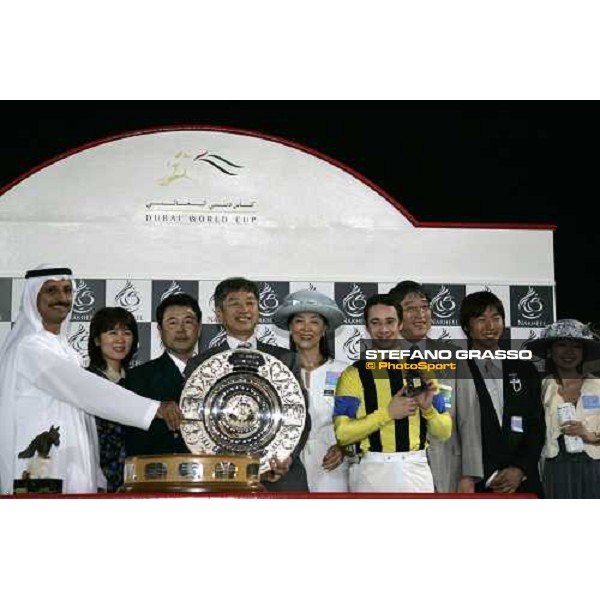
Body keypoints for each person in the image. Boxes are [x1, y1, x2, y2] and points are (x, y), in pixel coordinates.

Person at [0, 265, 182, 494]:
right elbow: (86, 390)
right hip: (40, 466)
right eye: (51, 290)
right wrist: (154, 408)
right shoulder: (30, 347)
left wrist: (96, 473)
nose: (61, 298)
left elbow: (84, 417)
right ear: (32, 297)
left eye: (67, 290)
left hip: (72, 463)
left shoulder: (67, 351)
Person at [184, 277, 310, 491]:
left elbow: (299, 416)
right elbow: (193, 421)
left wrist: (287, 456)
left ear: (259, 310)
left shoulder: (286, 359)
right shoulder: (200, 365)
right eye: (235, 303)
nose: (244, 309)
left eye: (250, 302)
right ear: (219, 314)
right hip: (223, 477)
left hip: (280, 476)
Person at [334, 294, 452, 492]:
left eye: (390, 321)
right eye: (376, 322)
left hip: (415, 470)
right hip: (371, 472)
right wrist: (388, 414)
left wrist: (428, 409)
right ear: (367, 327)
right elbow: (343, 434)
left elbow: (445, 432)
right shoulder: (353, 374)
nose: (383, 330)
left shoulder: (423, 370)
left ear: (400, 324)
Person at [389, 280, 482, 492]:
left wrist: (470, 474)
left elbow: (469, 418)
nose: (421, 315)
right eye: (411, 309)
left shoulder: (454, 356)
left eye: (425, 308)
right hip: (397, 467)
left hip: (448, 466)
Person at [459, 291, 545, 495]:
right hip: (478, 483)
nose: (490, 327)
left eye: (496, 319)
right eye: (481, 319)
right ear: (466, 327)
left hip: (523, 483)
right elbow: (454, 434)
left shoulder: (525, 369)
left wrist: (520, 469)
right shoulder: (455, 371)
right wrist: (488, 475)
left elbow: (536, 426)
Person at [272, 289, 349, 492]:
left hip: (331, 466)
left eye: (315, 321)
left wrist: (344, 447)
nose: (306, 328)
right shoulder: (276, 371)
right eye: (299, 321)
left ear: (325, 329)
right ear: (290, 327)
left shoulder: (344, 372)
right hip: (285, 465)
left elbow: (357, 420)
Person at [526, 319, 600, 498]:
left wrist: (589, 435)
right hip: (555, 467)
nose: (569, 351)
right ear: (550, 351)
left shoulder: (597, 386)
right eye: (562, 345)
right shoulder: (543, 386)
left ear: (583, 352)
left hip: (594, 466)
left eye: (576, 346)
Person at [124, 293, 201, 456]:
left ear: (199, 328)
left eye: (188, 321)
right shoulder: (137, 378)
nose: (181, 329)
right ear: (160, 329)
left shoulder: (214, 374)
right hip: (159, 477)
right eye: (173, 322)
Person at [87, 306, 139, 492]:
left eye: (126, 333)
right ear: (97, 340)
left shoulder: (139, 381)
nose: (120, 340)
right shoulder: (84, 381)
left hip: (135, 481)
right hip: (94, 479)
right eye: (112, 333)